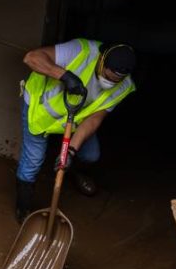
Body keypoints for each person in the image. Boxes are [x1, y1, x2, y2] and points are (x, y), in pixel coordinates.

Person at [15, 39, 137, 221]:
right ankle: (22, 208)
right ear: (102, 60)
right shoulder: (81, 51)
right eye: (108, 75)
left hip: (75, 118)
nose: (111, 82)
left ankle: (73, 171)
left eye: (116, 80)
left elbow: (95, 118)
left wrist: (70, 151)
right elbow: (31, 58)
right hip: (41, 110)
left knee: (91, 155)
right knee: (33, 161)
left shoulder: (124, 87)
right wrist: (64, 75)